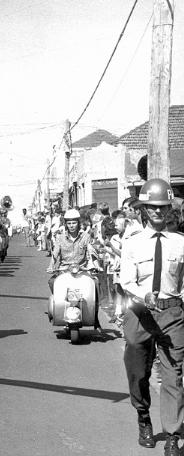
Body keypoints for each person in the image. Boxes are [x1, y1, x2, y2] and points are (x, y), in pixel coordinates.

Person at [120, 179, 184, 455]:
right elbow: (126, 280)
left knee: (173, 374)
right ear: (144, 209)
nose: (157, 212)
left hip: (172, 313)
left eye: (162, 207)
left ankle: (172, 434)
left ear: (169, 208)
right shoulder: (132, 243)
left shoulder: (180, 243)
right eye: (152, 207)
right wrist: (142, 296)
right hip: (140, 312)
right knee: (138, 370)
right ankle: (143, 416)